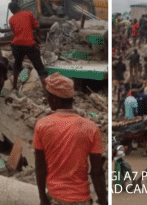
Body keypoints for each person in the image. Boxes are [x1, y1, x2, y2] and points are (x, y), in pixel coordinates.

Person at [34, 73, 106, 205]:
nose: (47, 100)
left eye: (48, 97)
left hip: (55, 198)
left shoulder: (42, 125)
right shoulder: (91, 128)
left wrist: (42, 197)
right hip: (81, 199)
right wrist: (103, 200)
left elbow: (40, 166)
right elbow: (97, 172)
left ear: (56, 100)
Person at [8, 2, 48, 91]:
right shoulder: (29, 14)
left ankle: (14, 86)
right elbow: (37, 27)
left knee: (17, 64)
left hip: (16, 44)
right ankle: (46, 90)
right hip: (29, 44)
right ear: (19, 7)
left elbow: (15, 33)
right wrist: (38, 38)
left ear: (11, 11)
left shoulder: (11, 19)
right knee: (40, 67)